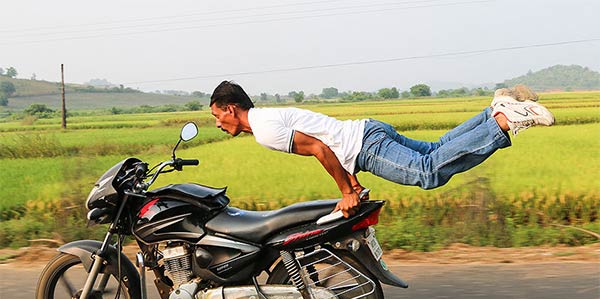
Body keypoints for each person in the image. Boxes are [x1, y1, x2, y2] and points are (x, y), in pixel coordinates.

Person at [209, 81, 554, 218]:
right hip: (366, 131)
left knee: (428, 171)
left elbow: (318, 147)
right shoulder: (268, 117)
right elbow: (322, 141)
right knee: (436, 149)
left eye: (216, 115)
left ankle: (505, 121)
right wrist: (354, 184)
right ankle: (495, 110)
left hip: (364, 146)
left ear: (230, 108)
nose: (216, 123)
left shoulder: (263, 130)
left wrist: (346, 191)